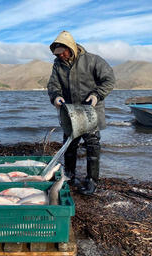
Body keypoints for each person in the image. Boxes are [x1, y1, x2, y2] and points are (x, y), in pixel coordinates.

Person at [47, 31, 115, 195]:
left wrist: (96, 95)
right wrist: (56, 97)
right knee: (69, 145)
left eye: (63, 52)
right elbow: (53, 85)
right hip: (70, 113)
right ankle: (69, 176)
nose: (61, 56)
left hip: (91, 110)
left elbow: (109, 79)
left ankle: (92, 180)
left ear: (71, 47)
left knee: (92, 146)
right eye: (57, 54)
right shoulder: (58, 64)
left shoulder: (92, 60)